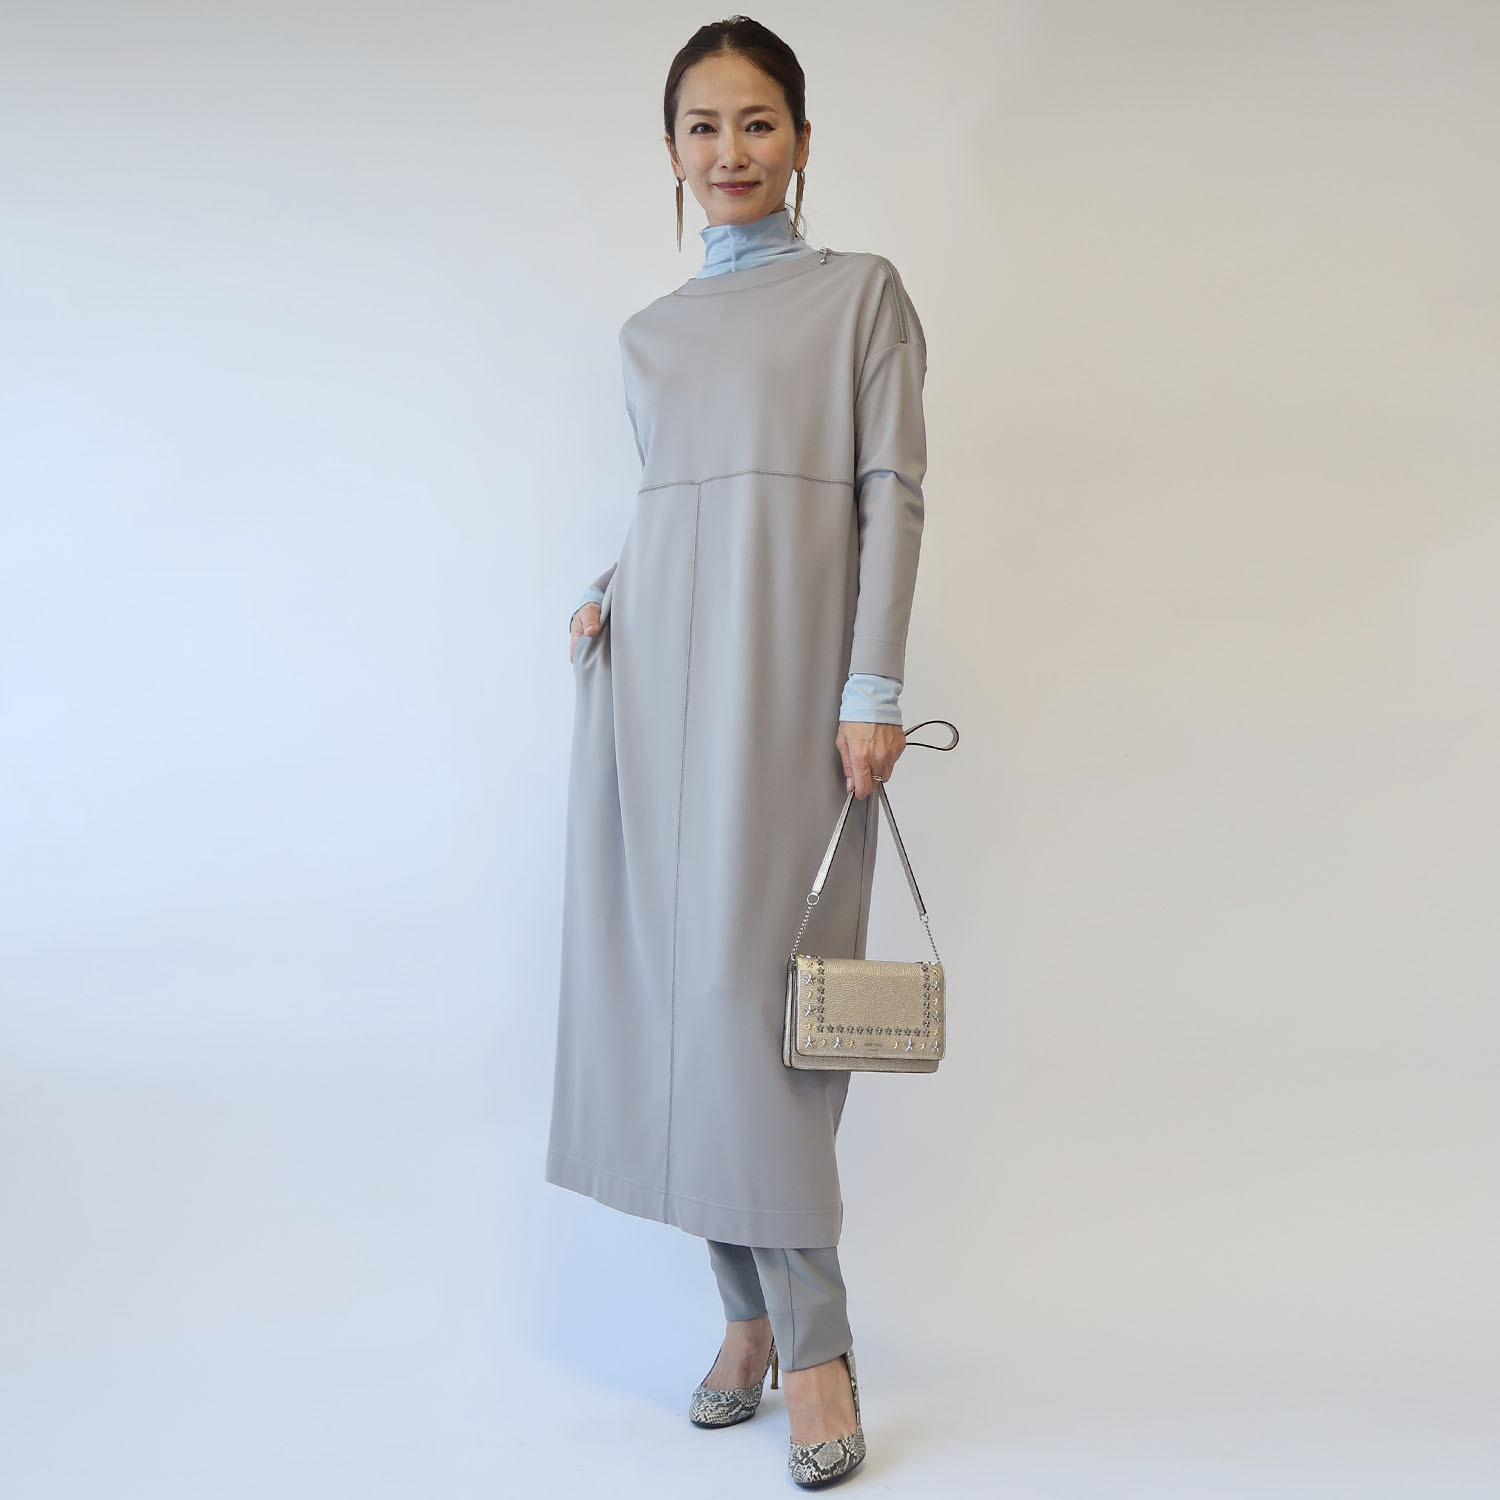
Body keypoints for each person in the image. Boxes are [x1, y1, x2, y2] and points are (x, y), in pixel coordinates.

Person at [547, 16, 927, 1488]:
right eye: (702, 127)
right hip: (655, 690)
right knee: (676, 1006)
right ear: (671, 152)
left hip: (796, 694)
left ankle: (815, 1344)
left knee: (754, 1011)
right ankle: (750, 1321)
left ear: (803, 140)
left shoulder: (860, 296)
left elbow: (891, 492)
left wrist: (872, 684)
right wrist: (608, 589)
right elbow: (674, 507)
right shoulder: (648, 336)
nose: (730, 150)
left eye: (756, 121)